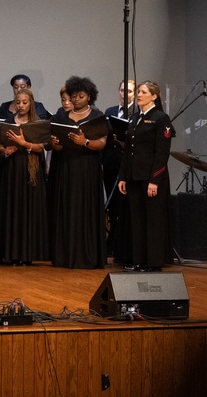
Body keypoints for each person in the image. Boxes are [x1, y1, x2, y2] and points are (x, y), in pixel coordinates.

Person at [50, 75, 108, 269]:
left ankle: (87, 255)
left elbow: (101, 144)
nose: (75, 99)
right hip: (67, 167)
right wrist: (56, 144)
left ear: (89, 97)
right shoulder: (61, 116)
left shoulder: (97, 117)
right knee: (67, 209)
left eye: (80, 96)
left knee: (86, 209)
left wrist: (85, 142)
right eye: (73, 95)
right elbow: (55, 145)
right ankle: (65, 256)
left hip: (87, 168)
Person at [117, 80, 173, 272]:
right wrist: (123, 176)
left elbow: (162, 153)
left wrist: (154, 180)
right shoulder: (135, 118)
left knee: (153, 221)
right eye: (138, 91)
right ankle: (139, 260)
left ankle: (153, 262)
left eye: (143, 92)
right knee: (137, 220)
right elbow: (128, 151)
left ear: (154, 96)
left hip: (151, 179)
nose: (139, 95)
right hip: (134, 177)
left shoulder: (160, 118)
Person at [0, 88, 50, 265]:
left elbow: (41, 147)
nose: (21, 106)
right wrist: (5, 150)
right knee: (12, 209)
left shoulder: (37, 123)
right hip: (12, 170)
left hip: (30, 171)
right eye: (18, 102)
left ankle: (27, 254)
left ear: (31, 103)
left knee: (29, 210)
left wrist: (24, 143)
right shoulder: (9, 122)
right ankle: (12, 253)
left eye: (25, 102)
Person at [103, 80, 135, 264]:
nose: (125, 94)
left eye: (129, 91)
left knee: (124, 206)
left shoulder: (137, 113)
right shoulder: (110, 112)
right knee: (112, 205)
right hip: (110, 163)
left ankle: (121, 244)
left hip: (127, 164)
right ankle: (111, 242)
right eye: (123, 90)